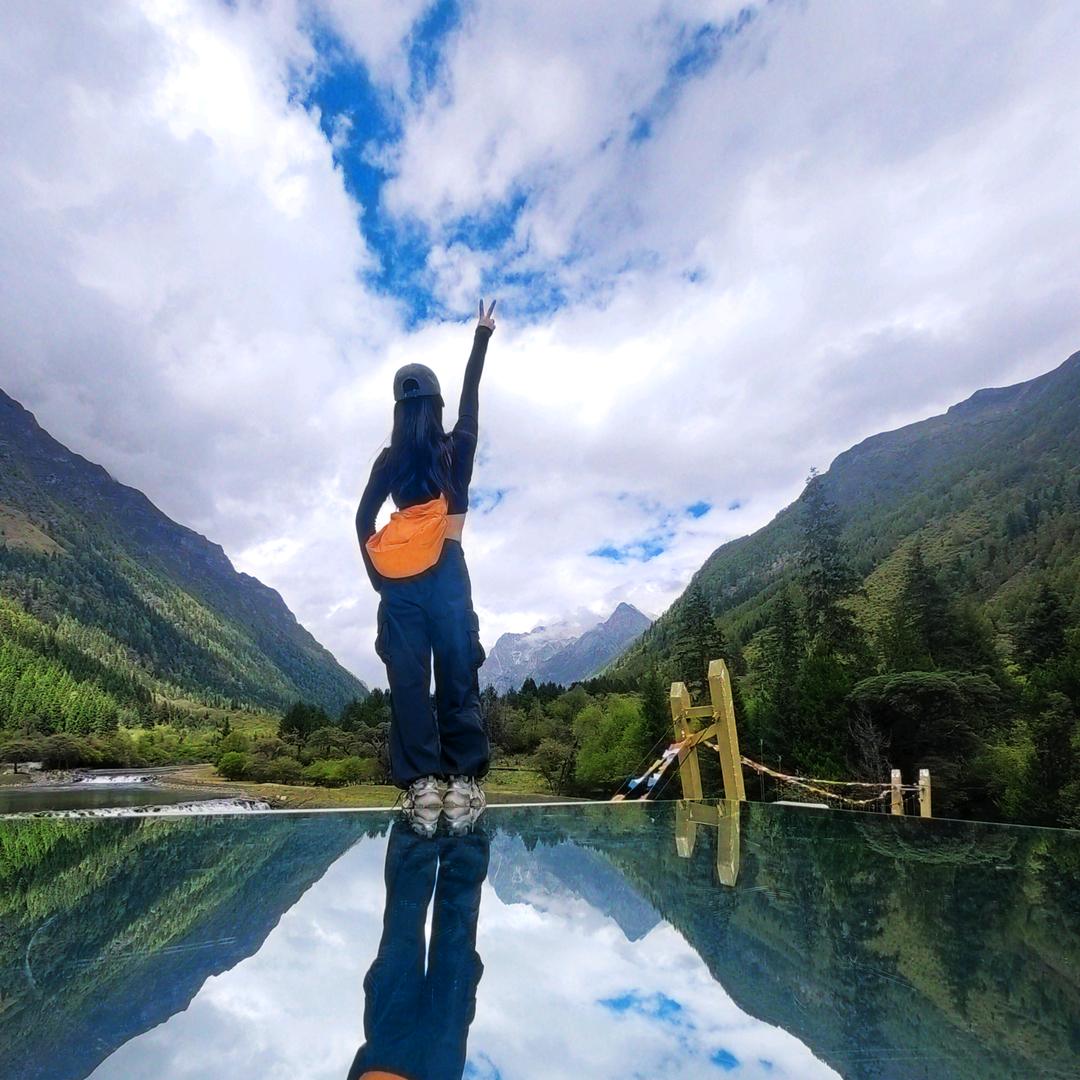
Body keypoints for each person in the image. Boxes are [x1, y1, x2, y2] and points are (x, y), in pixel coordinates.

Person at [356, 299, 497, 832]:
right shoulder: (456, 447)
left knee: (409, 682)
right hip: (448, 573)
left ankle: (421, 786)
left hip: (400, 585)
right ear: (436, 406)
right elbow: (472, 397)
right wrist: (481, 337)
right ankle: (464, 782)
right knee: (458, 671)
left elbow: (362, 520)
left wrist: (380, 581)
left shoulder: (390, 460)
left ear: (398, 410)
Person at [346, 817, 489, 1080]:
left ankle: (419, 825)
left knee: (403, 939)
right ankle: (463, 829)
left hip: (388, 1058)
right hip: (433, 1066)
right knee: (453, 950)